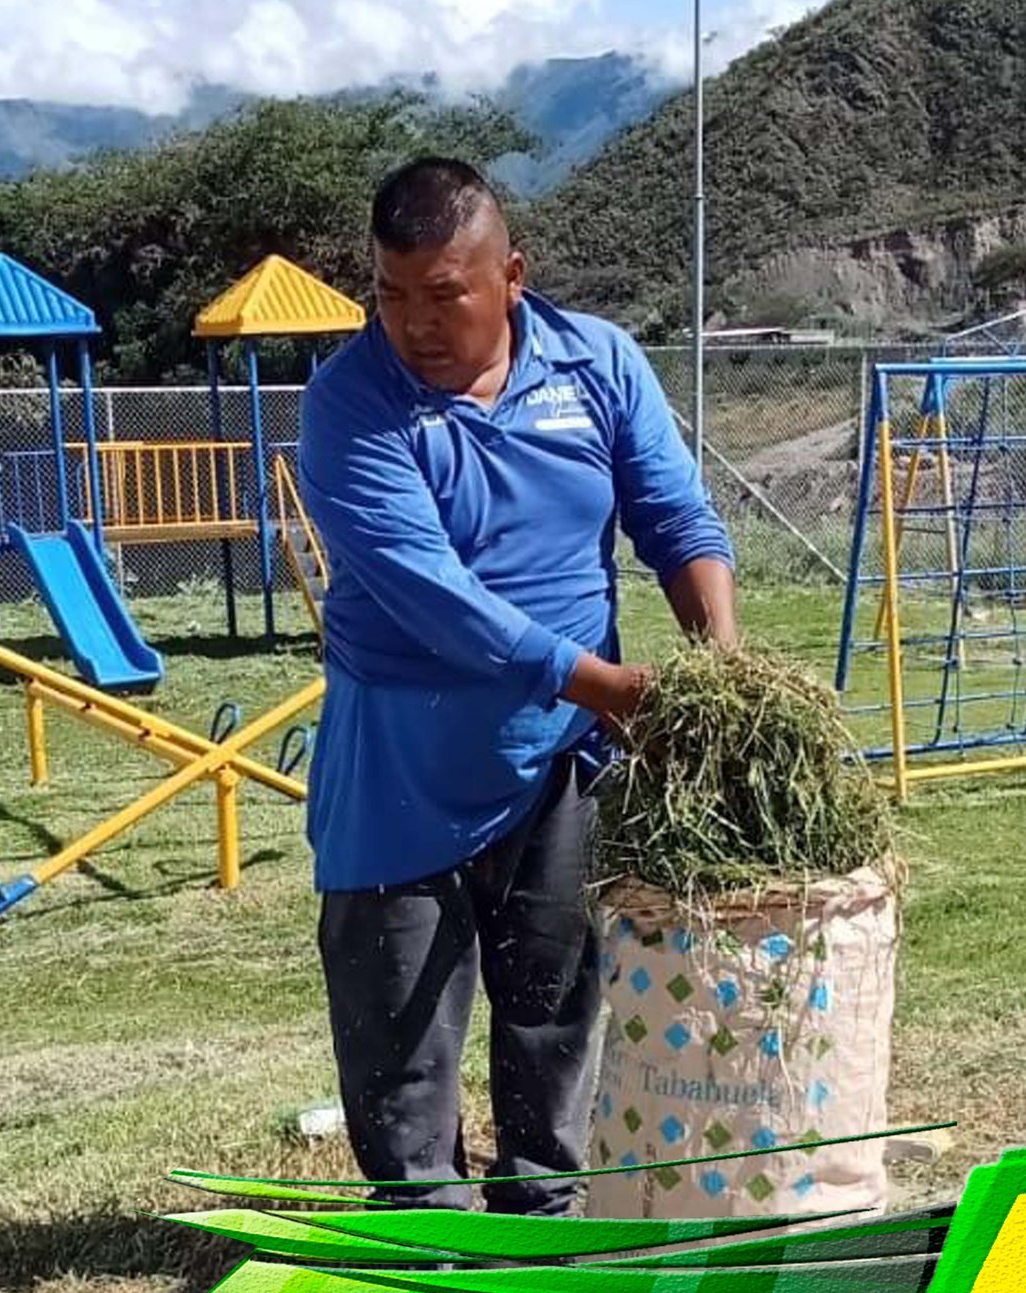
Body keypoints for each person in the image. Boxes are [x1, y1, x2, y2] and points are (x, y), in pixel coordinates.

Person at [295, 156, 739, 1215]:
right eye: (390, 294)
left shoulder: (597, 363)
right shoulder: (350, 404)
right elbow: (435, 601)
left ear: (512, 277)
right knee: (402, 1041)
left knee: (554, 1013)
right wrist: (608, 687)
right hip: (402, 772)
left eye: (443, 293)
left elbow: (675, 518)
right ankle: (429, 1245)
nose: (414, 322)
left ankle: (547, 1226)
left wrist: (722, 669)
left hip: (561, 767)